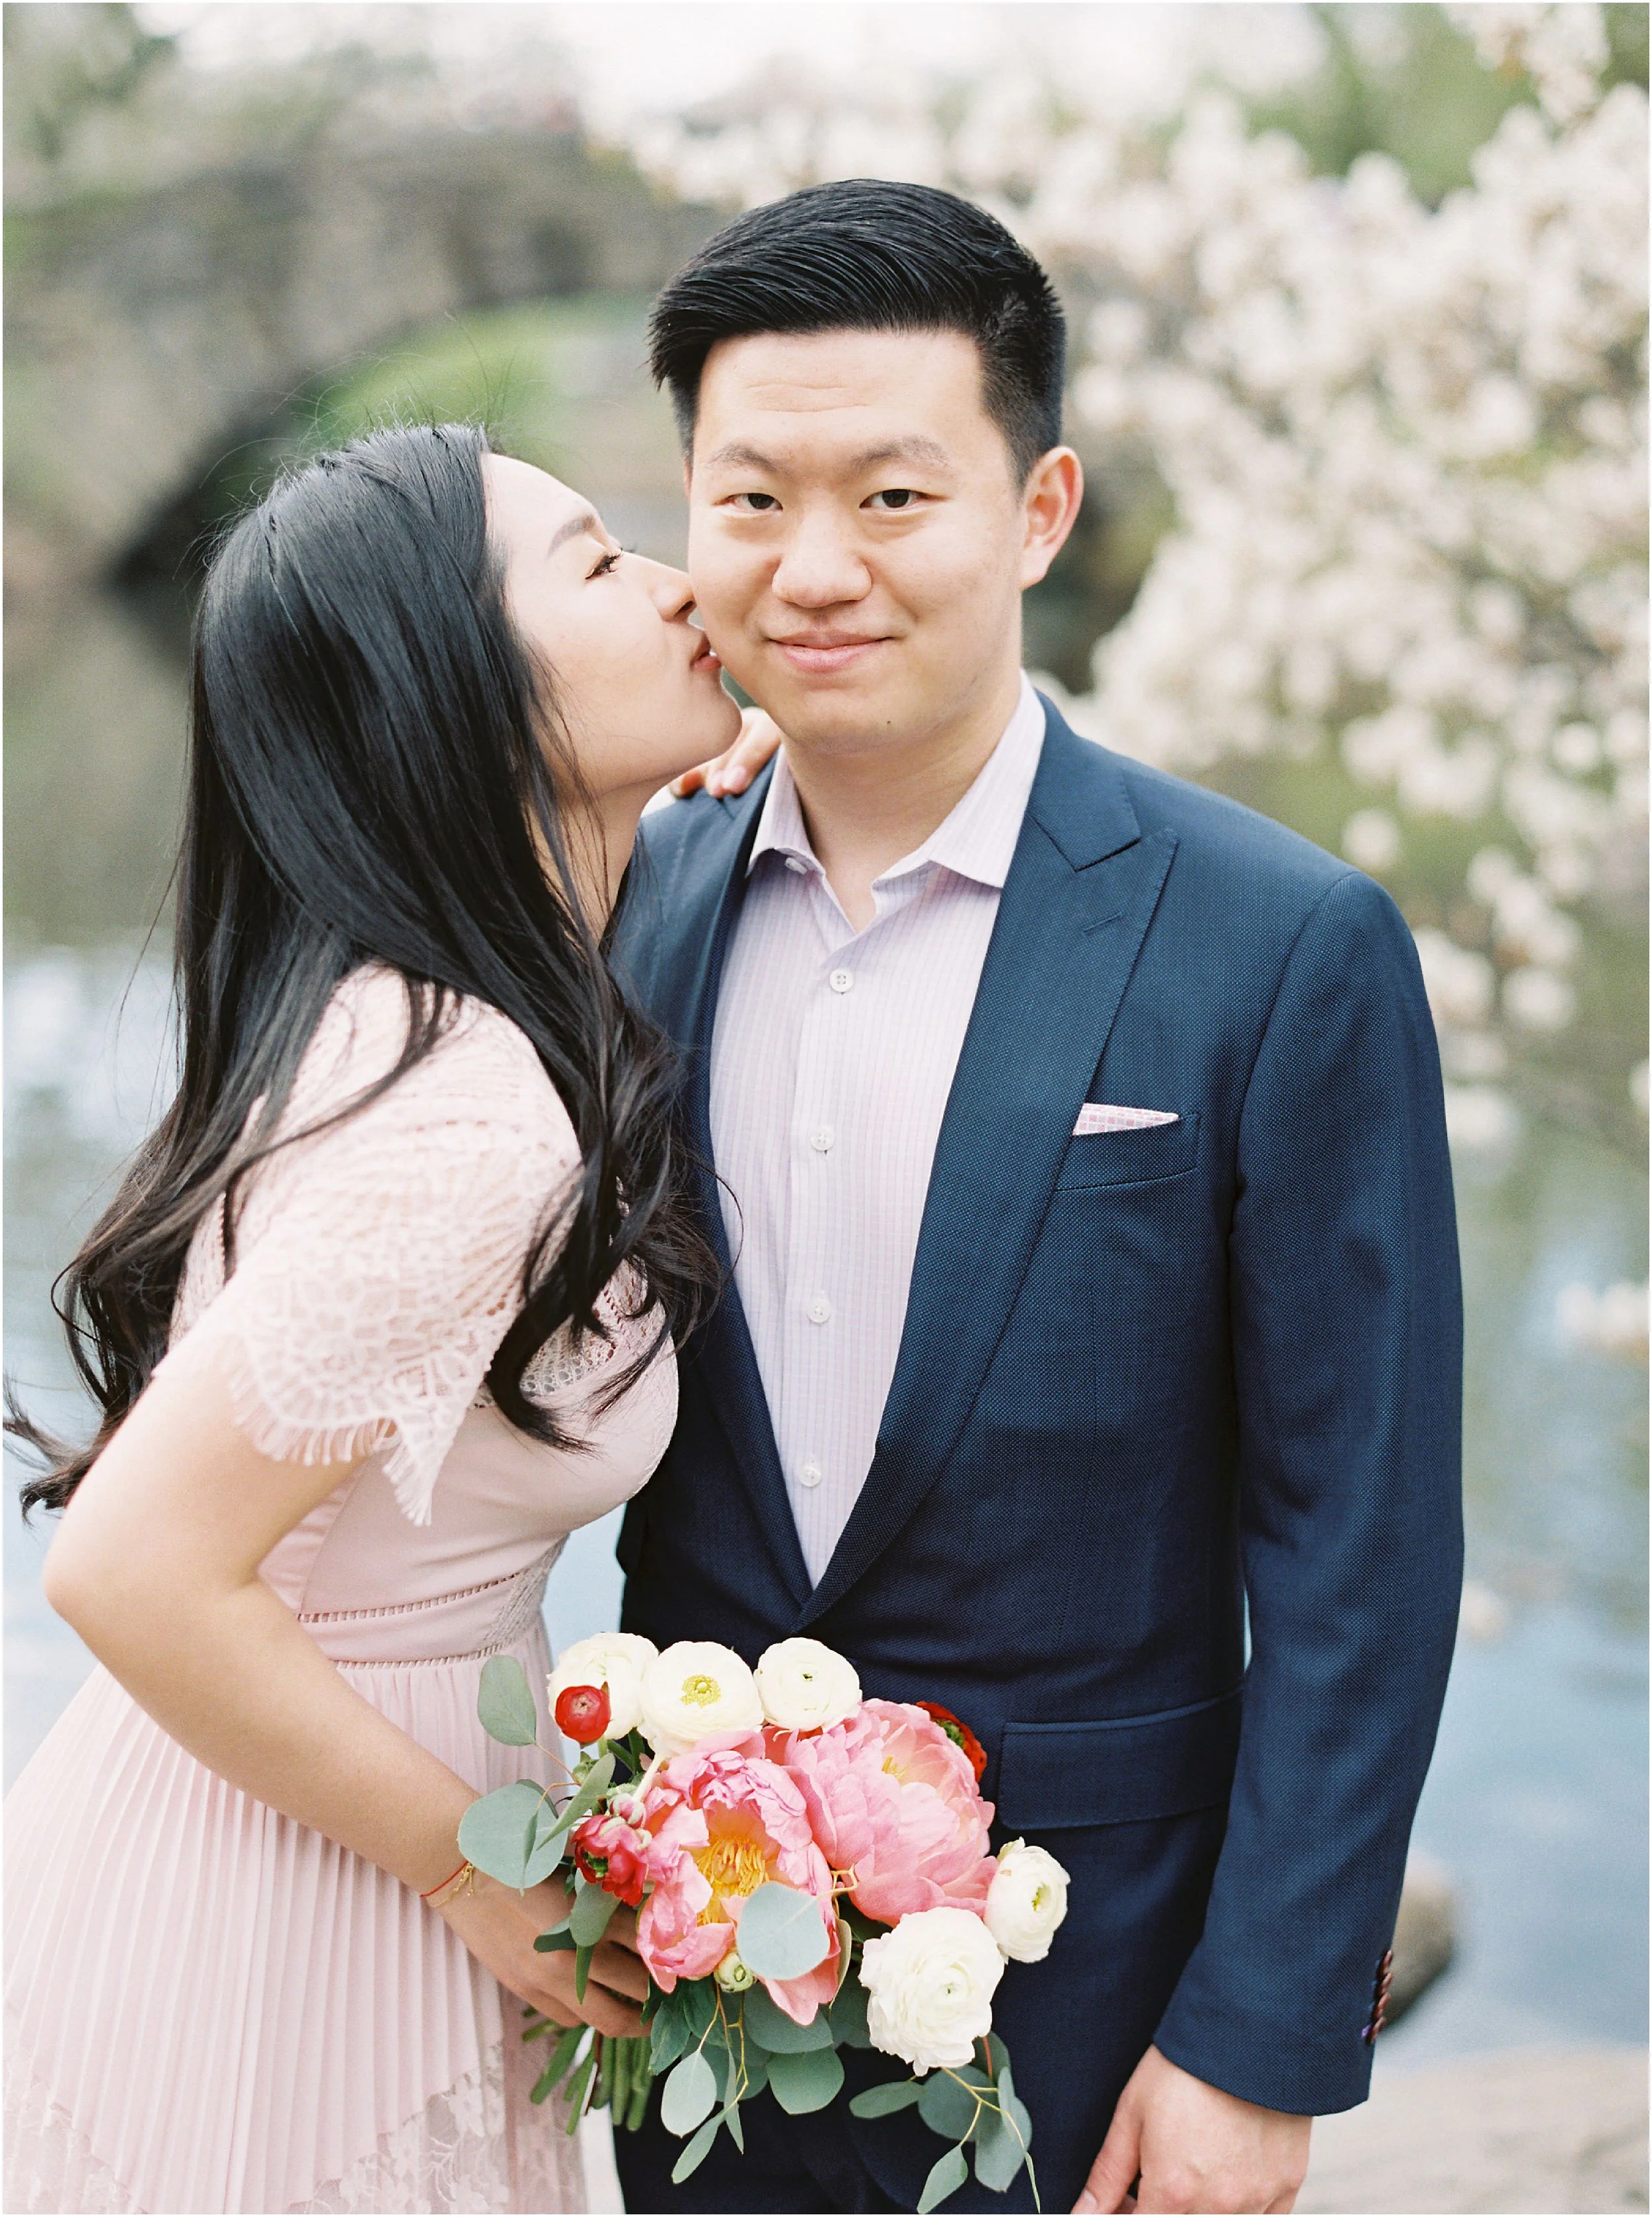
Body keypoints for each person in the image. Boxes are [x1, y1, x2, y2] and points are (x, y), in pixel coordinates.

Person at [611, 180, 1464, 2215]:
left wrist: (1260, 2044)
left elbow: (1359, 1542)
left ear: (1038, 510)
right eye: (750, 503)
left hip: (1096, 1984)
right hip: (683, 1969)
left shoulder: (1278, 941)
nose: (814, 568)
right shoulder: (629, 903)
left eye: (892, 497)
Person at [4, 424, 737, 2214]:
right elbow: (131, 1568)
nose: (680, 582)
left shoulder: (416, 1006)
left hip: (307, 1821)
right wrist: (471, 1879)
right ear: (458, 699)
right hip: (301, 1904)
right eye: (592, 564)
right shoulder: (470, 1120)